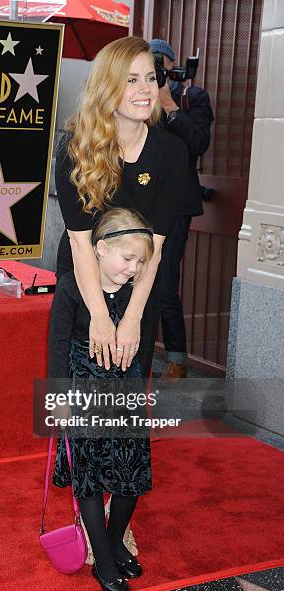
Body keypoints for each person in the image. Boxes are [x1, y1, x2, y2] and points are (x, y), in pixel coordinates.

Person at [55, 36, 188, 383]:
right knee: (81, 392)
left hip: (138, 284)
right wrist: (99, 314)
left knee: (125, 399)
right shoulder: (75, 148)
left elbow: (155, 247)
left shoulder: (171, 153)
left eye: (150, 77)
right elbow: (80, 242)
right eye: (131, 79)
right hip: (83, 281)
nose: (146, 88)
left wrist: (132, 320)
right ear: (107, 86)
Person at [49, 207, 154, 591]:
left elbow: (140, 348)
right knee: (89, 478)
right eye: (128, 259)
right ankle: (104, 560)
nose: (133, 269)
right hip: (83, 392)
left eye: (140, 262)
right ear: (100, 248)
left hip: (124, 390)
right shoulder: (71, 287)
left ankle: (113, 539)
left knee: (132, 474)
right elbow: (57, 347)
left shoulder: (135, 294)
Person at [148, 39, 214, 382]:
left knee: (164, 283)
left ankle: (176, 358)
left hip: (175, 206)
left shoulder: (193, 98)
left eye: (158, 64)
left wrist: (169, 105)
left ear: (173, 66)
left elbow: (198, 143)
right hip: (139, 201)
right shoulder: (136, 97)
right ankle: (136, 354)